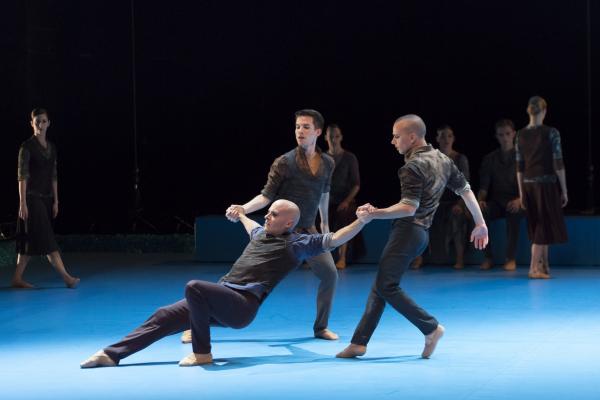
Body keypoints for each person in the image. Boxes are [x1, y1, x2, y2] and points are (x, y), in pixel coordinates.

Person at [79, 199, 370, 368]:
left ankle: (202, 353)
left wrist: (361, 221)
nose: (266, 215)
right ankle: (112, 355)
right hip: (221, 298)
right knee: (164, 315)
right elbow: (250, 224)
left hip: (241, 306)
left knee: (195, 287)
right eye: (268, 212)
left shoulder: (297, 244)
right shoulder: (261, 234)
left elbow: (334, 239)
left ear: (288, 223)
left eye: (273, 214)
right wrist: (240, 213)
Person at [336, 114, 488, 360]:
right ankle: (358, 343)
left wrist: (374, 213)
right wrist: (480, 223)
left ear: (412, 137)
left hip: (407, 231)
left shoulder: (412, 167)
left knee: (386, 286)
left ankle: (430, 327)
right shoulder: (443, 159)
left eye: (396, 136)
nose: (393, 141)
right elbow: (466, 190)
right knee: (381, 284)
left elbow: (409, 207)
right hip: (420, 234)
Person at [222, 109, 339, 340]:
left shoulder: (328, 162)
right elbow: (266, 196)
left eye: (306, 127)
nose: (300, 131)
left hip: (308, 231)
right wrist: (243, 208)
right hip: (281, 235)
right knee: (241, 280)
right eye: (297, 127)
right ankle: (196, 319)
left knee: (330, 275)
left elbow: (323, 194)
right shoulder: (284, 162)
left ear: (318, 132)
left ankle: (321, 327)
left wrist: (325, 225)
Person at [11, 108, 79, 289]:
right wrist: (22, 203)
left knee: (30, 239)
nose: (40, 125)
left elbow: (53, 176)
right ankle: (67, 278)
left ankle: (17, 278)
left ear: (49, 123)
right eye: (37, 122)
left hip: (46, 199)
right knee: (48, 240)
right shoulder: (27, 147)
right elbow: (22, 176)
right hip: (32, 200)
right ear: (31, 124)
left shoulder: (52, 148)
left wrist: (56, 201)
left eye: (43, 121)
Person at [516, 96, 568, 279]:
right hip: (545, 185)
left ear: (528, 111)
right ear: (544, 111)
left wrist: (521, 192)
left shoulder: (520, 135)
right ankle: (533, 268)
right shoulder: (551, 133)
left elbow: (519, 167)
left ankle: (544, 264)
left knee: (540, 224)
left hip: (528, 185)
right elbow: (558, 163)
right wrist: (564, 190)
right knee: (542, 225)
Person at [415, 125, 471, 269]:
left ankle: (460, 258)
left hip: (455, 201)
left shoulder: (460, 159)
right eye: (442, 136)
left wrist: (460, 204)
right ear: (437, 139)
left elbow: (465, 186)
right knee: (418, 215)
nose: (446, 139)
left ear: (453, 139)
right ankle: (418, 257)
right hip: (435, 201)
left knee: (458, 216)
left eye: (449, 136)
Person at [478, 119, 524, 271]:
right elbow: (484, 186)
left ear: (514, 134)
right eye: (501, 135)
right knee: (481, 211)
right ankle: (488, 257)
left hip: (518, 200)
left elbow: (528, 185)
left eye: (508, 134)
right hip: (497, 201)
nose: (505, 138)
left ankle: (510, 258)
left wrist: (520, 200)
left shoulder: (522, 157)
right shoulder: (490, 159)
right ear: (496, 136)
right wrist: (480, 200)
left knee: (514, 212)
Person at [324, 123, 365, 269]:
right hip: (326, 200)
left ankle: (342, 258)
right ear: (326, 138)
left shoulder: (349, 157)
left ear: (341, 137)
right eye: (331, 137)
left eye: (336, 136)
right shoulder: (322, 158)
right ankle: (319, 257)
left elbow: (356, 184)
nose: (334, 140)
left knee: (344, 216)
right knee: (316, 217)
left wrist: (346, 201)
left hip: (344, 200)